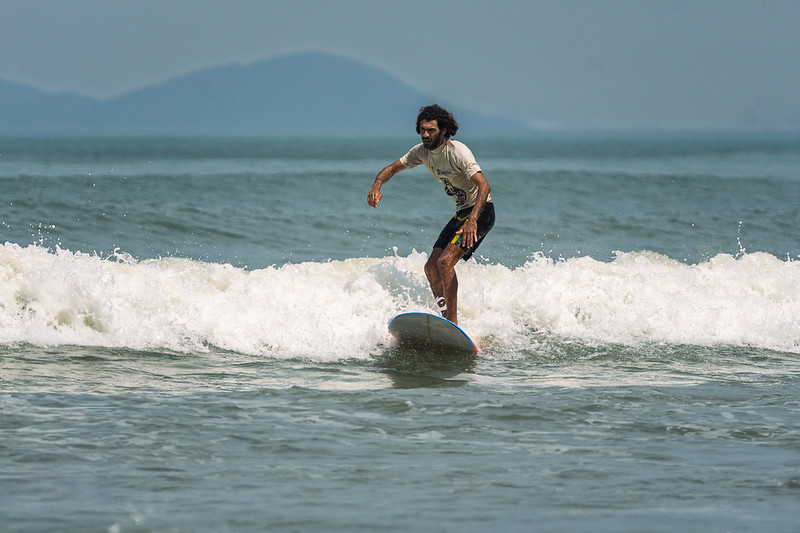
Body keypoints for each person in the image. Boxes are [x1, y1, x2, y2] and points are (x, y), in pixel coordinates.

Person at [367, 104, 495, 325]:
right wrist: (376, 186)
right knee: (431, 268)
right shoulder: (421, 152)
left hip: (481, 212)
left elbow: (484, 186)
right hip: (461, 213)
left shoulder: (458, 152)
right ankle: (446, 320)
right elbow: (392, 169)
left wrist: (472, 221)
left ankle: (453, 323)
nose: (425, 135)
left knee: (445, 262)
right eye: (422, 130)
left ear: (444, 130)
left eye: (431, 130)